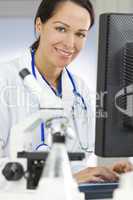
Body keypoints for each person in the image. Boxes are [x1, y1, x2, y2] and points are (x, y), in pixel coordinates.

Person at [0, 0, 132, 184]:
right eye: (61, 29)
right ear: (39, 25)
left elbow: (75, 165)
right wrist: (65, 179)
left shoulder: (80, 89)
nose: (71, 43)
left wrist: (104, 173)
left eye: (80, 34)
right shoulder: (4, 79)